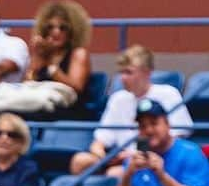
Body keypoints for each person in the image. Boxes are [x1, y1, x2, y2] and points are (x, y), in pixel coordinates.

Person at [71, 45, 192, 177]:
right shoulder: (117, 99)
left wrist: (134, 154)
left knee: (114, 173)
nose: (122, 78)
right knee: (80, 161)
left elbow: (177, 135)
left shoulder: (168, 93)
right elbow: (99, 142)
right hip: (121, 158)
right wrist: (103, 157)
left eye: (128, 72)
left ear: (147, 72)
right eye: (121, 72)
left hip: (154, 158)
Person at [93, 99, 209, 186]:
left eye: (154, 123)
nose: (149, 130)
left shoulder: (190, 151)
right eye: (143, 126)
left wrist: (161, 175)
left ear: (167, 124)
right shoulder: (137, 157)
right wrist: (129, 174)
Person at [0, 0, 91, 120]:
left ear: (72, 31)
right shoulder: (42, 53)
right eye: (50, 27)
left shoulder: (78, 53)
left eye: (62, 28)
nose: (56, 32)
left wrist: (50, 65)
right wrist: (39, 55)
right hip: (38, 104)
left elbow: (76, 88)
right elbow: (28, 83)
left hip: (67, 108)